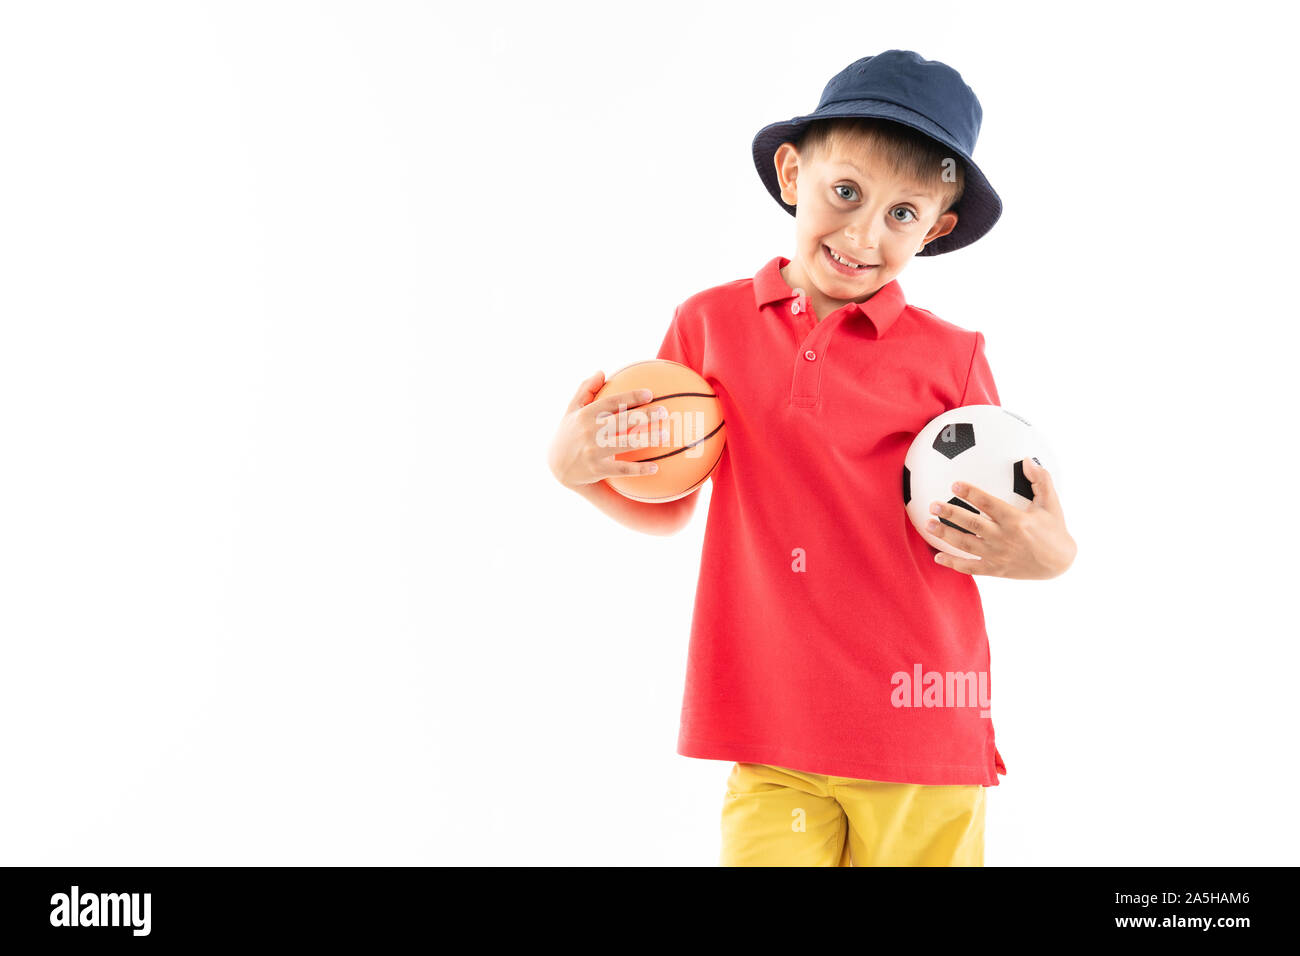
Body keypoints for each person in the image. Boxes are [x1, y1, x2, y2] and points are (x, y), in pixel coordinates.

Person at [546, 50, 1077, 866]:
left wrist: (1050, 553)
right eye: (846, 193)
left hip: (918, 740)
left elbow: (1014, 523)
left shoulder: (955, 358)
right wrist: (577, 469)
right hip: (771, 734)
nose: (864, 234)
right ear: (794, 172)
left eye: (904, 214)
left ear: (935, 228)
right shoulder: (707, 325)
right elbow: (668, 503)